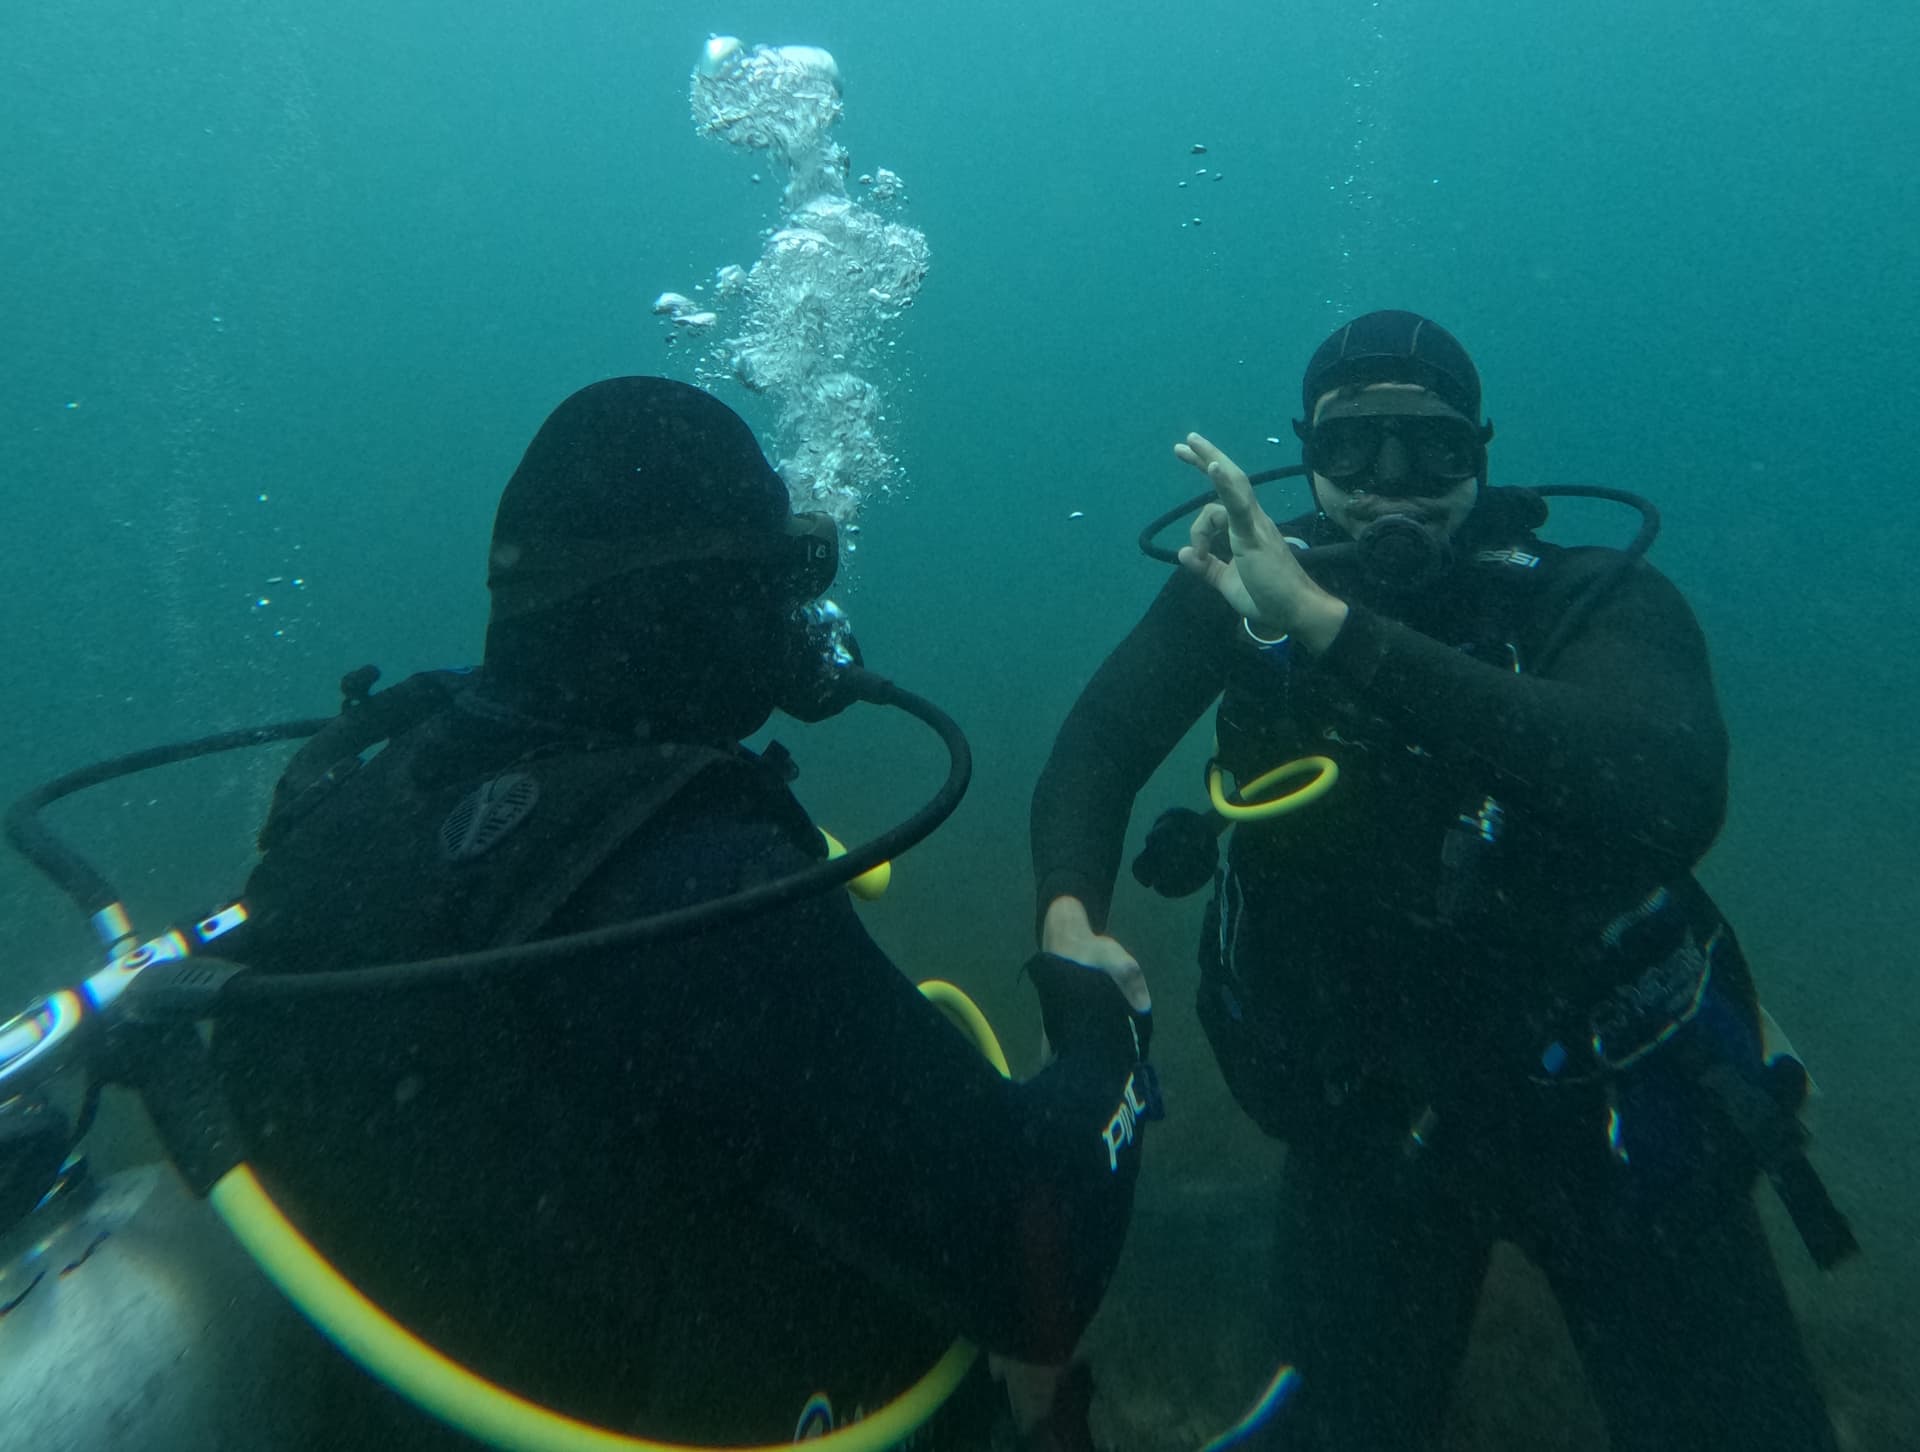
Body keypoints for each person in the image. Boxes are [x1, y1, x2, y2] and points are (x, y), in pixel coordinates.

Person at [206, 376, 1153, 1450]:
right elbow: (1042, 1258)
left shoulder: (367, 790)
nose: (800, 619)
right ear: (700, 601)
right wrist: (1100, 1026)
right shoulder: (694, 886)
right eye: (781, 579)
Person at [1030, 312, 1848, 1451]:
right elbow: (1100, 743)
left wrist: (1325, 623)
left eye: (1433, 450)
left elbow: (1667, 790)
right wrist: (1070, 914)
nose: (1392, 487)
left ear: (1485, 450)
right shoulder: (1236, 587)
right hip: (1372, 1119)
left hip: (1614, 1107)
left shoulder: (1582, 594)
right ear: (1304, 455)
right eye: (1353, 451)